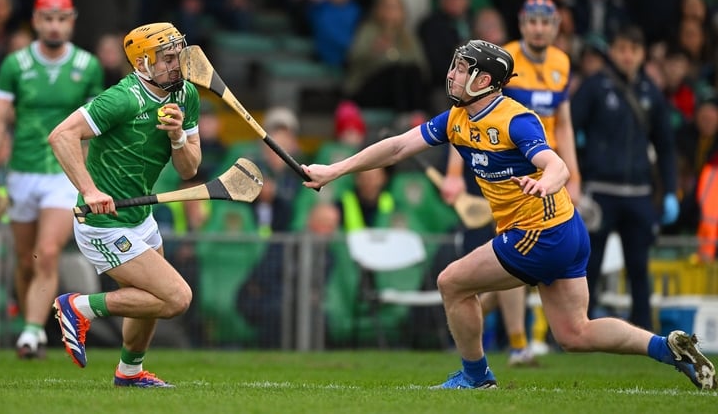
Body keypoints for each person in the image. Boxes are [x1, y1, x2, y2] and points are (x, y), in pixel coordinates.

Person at [302, 39, 716, 390]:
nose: (451, 74)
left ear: (484, 81)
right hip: (564, 229)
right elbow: (396, 147)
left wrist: (546, 182)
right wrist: (334, 170)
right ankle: (667, 348)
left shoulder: (515, 120)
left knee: (452, 283)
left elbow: (556, 165)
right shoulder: (457, 118)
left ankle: (476, 377)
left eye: (461, 69)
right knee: (575, 332)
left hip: (541, 233)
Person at [48, 21, 201, 388]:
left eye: (178, 55)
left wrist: (178, 137)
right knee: (176, 299)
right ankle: (78, 307)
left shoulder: (186, 95)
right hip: (103, 222)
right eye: (167, 59)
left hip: (141, 217)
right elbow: (62, 135)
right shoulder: (122, 98)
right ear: (143, 63)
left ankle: (129, 372)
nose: (176, 65)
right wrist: (89, 190)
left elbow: (189, 169)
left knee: (150, 299)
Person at [0, 0, 104, 360]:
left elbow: (96, 125)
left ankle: (31, 333)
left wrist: (91, 177)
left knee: (47, 252)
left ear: (72, 21)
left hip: (65, 174)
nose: (54, 26)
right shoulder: (14, 64)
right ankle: (31, 325)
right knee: (24, 258)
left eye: (61, 19)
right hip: (21, 172)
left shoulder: (88, 66)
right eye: (48, 18)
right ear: (35, 21)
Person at [571, 25, 680, 330]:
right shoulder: (594, 87)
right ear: (612, 51)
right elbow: (567, 131)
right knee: (588, 264)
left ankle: (644, 332)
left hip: (638, 193)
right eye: (622, 49)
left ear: (643, 54)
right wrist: (574, 177)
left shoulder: (651, 92)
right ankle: (578, 328)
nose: (627, 56)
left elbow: (665, 146)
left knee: (638, 267)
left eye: (633, 49)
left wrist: (670, 191)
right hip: (599, 191)